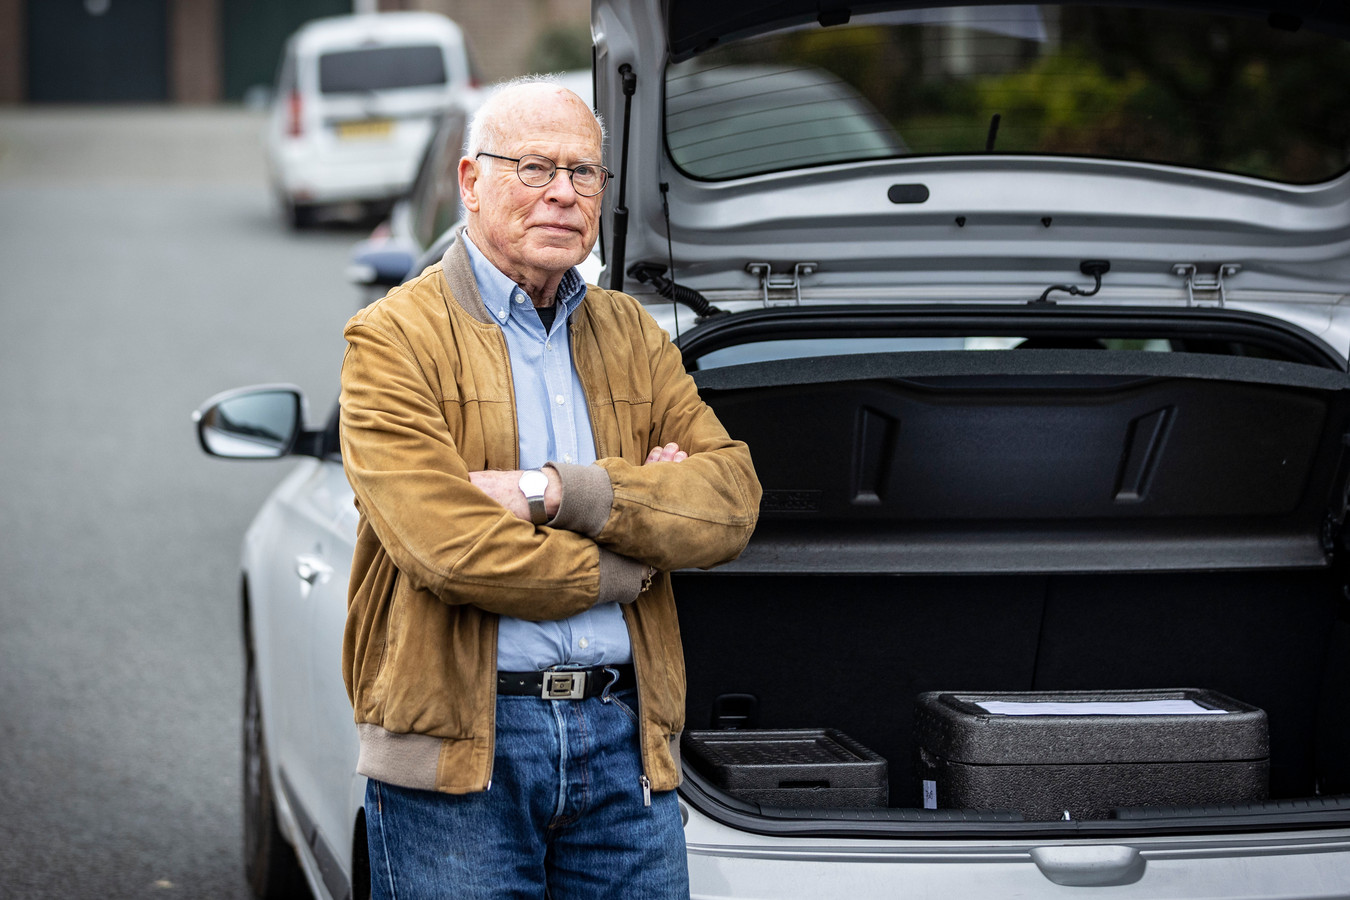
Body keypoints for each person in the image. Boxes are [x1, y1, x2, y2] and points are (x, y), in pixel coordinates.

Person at [337, 76, 762, 899]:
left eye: (584, 172)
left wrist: (555, 493)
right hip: (462, 751)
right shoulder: (393, 338)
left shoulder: (633, 333)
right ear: (471, 181)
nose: (564, 193)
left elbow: (730, 503)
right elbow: (448, 549)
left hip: (623, 741)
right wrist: (629, 563)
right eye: (534, 168)